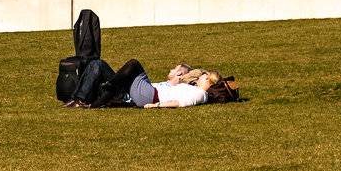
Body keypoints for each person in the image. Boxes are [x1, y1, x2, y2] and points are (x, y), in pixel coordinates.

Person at [67, 58, 237, 108]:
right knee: (98, 64)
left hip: (150, 96)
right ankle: (79, 99)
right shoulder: (193, 88)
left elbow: (180, 103)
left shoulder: (200, 94)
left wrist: (155, 106)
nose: (200, 77)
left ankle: (109, 86)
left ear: (207, 80)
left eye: (203, 76)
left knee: (133, 64)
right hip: (142, 93)